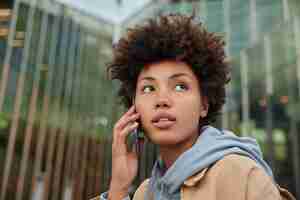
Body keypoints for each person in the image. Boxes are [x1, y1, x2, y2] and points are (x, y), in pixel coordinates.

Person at [91, 13, 295, 200]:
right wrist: (119, 187)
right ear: (134, 108)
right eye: (147, 88)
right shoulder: (146, 192)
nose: (162, 99)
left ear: (203, 105)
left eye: (180, 86)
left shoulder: (240, 174)